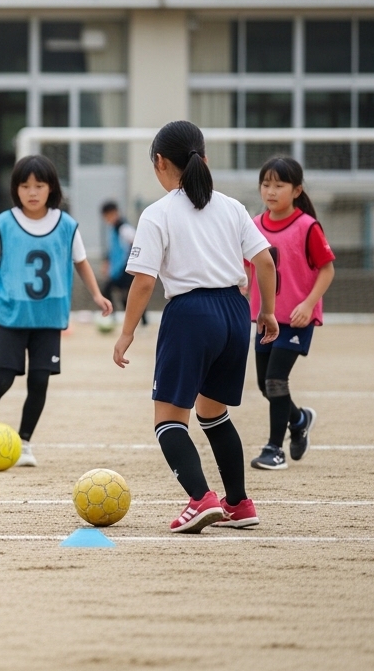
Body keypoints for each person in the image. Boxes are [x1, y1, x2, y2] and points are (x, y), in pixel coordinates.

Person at [113, 120, 278, 533]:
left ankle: (201, 498)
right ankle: (239, 504)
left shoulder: (158, 213)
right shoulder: (232, 207)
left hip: (190, 314)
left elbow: (144, 281)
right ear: (203, 158)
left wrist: (127, 332)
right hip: (235, 312)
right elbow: (265, 261)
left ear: (160, 162)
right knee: (213, 413)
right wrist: (268, 312)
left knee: (168, 418)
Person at [0, 155, 114, 467]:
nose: (32, 192)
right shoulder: (4, 223)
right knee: (3, 379)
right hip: (13, 315)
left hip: (49, 316)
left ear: (51, 188)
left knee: (40, 381)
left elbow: (81, 262)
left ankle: (25, 442)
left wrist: (97, 295)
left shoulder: (66, 225)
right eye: (25, 185)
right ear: (15, 189)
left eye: (39, 185)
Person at [245, 156, 334, 470]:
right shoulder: (254, 225)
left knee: (275, 381)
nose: (270, 191)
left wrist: (308, 304)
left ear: (297, 190)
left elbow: (327, 269)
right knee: (264, 384)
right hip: (264, 319)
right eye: (265, 184)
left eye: (278, 185)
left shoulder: (307, 226)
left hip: (296, 320)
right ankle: (298, 420)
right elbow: (246, 268)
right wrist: (242, 288)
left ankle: (274, 449)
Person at [100, 200, 143, 323]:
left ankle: (141, 321)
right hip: (117, 269)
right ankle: (114, 317)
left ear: (114, 213)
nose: (107, 220)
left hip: (126, 269)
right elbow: (112, 250)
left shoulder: (124, 228)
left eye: (108, 216)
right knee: (111, 291)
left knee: (130, 296)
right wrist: (107, 264)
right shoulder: (113, 230)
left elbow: (137, 243)